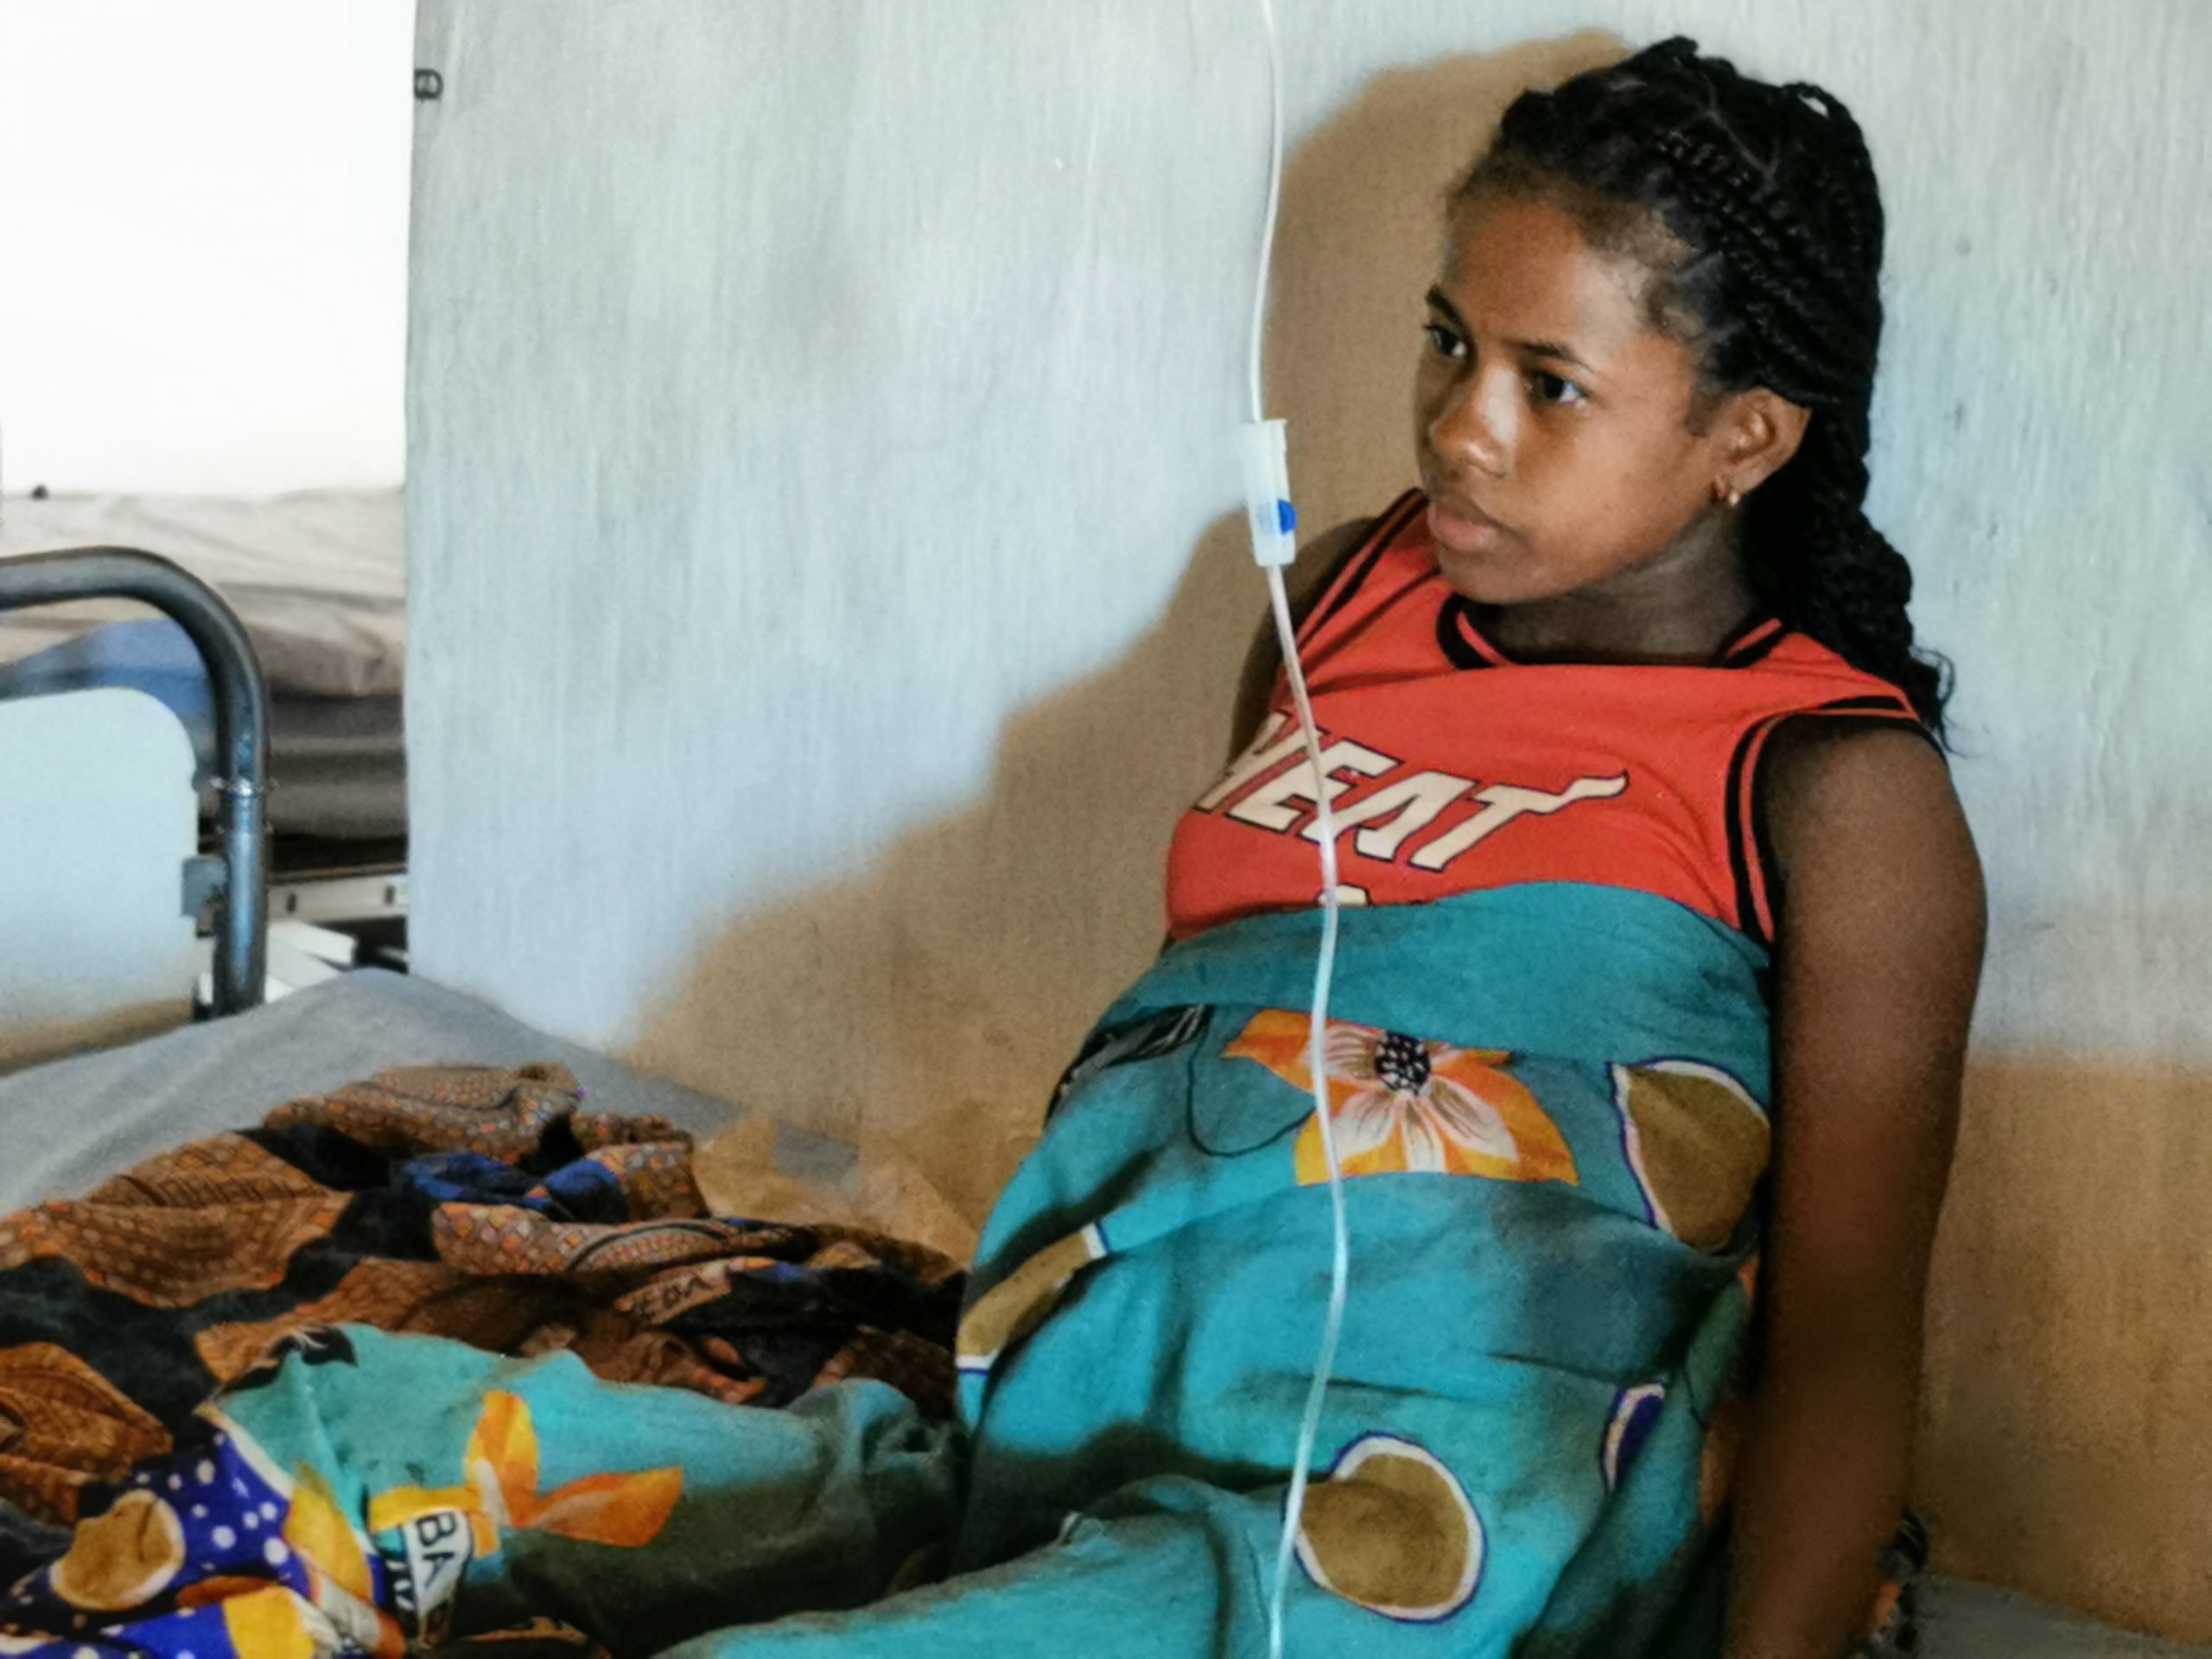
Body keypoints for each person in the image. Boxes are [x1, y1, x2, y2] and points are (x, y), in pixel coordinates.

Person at [2, 36, 1982, 1659]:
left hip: (1400, 1521)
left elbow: (1840, 1340)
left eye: (1551, 385)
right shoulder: (1340, 601)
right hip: (1062, 1410)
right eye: (1445, 342)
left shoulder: (1826, 787)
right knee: (354, 1440)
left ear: (1743, 436)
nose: (1460, 426)